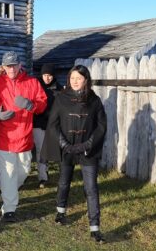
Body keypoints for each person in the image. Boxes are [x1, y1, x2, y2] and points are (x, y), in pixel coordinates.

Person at [41, 65, 107, 243]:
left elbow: (101, 126)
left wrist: (88, 145)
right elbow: (53, 123)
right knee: (64, 181)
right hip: (67, 147)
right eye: (72, 78)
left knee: (91, 188)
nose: (75, 81)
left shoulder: (94, 100)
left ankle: (95, 228)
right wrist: (64, 144)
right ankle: (60, 212)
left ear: (86, 80)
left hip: (88, 149)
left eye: (79, 78)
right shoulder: (61, 98)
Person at [0, 51, 47, 222]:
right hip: (4, 137)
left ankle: (8, 191)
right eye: (7, 66)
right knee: (7, 173)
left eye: (14, 65)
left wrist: (30, 105)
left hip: (25, 136)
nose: (11, 69)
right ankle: (9, 209)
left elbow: (42, 104)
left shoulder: (32, 82)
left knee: (24, 171)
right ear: (3, 66)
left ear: (20, 65)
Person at [33, 63, 63, 188]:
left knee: (57, 149)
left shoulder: (59, 88)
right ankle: (43, 177)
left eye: (50, 75)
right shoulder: (35, 86)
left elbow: (61, 106)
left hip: (53, 124)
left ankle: (64, 174)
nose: (47, 78)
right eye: (45, 75)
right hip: (38, 122)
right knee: (41, 150)